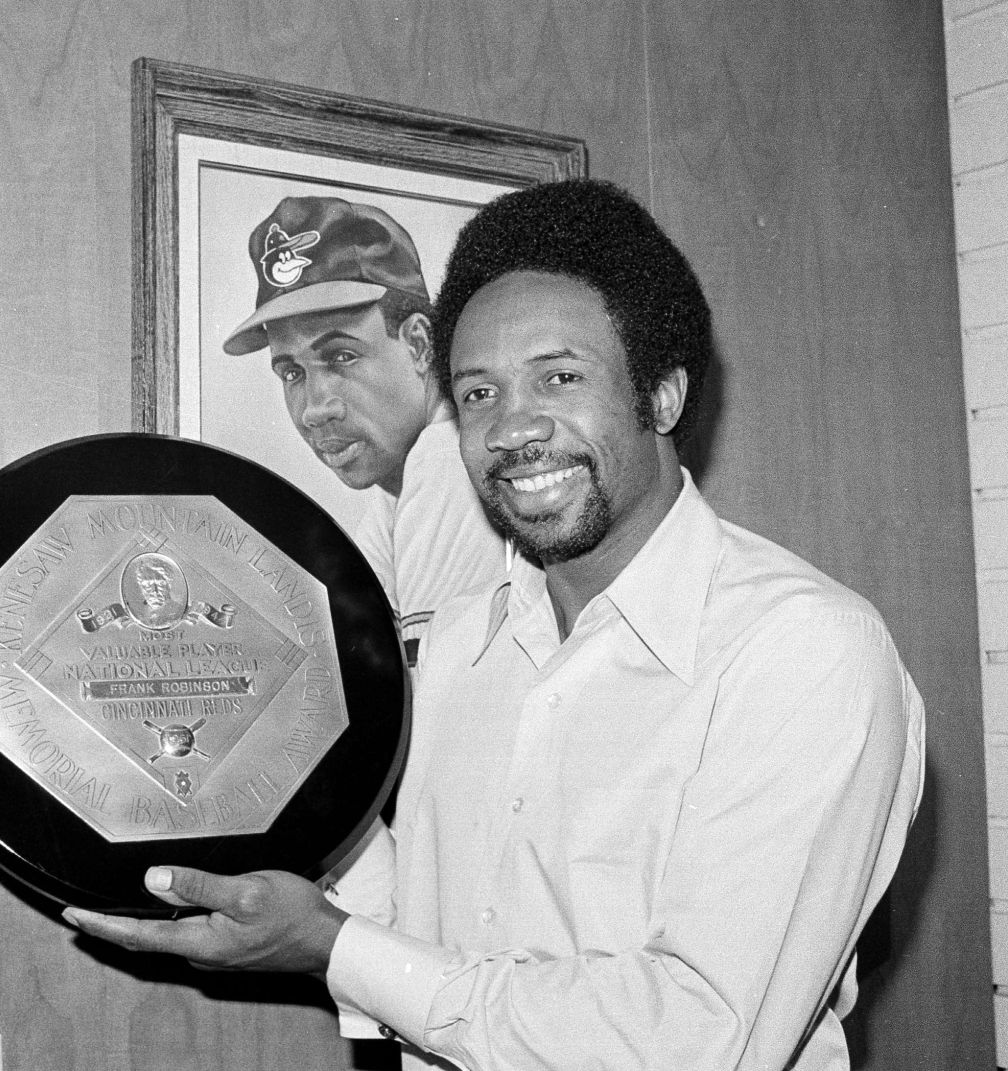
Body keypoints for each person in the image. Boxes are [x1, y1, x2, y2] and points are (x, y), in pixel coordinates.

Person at [64, 179, 925, 1071]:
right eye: (478, 393)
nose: (513, 429)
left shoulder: (804, 649)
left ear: (663, 395)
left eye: (559, 377)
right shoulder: (464, 644)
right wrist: (265, 802)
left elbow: (690, 1036)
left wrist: (333, 946)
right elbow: (428, 937)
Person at [224, 195, 505, 663]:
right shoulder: (395, 489)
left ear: (418, 344)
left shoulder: (448, 460)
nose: (315, 410)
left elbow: (430, 713)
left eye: (341, 356)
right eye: (292, 372)